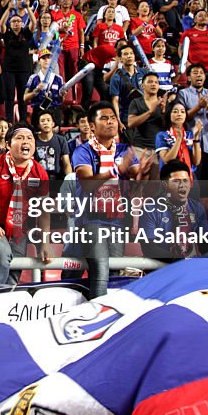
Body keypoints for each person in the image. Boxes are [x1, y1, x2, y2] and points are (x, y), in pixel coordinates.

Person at [69, 100, 153, 297]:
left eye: (113, 118)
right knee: (100, 270)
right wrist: (115, 170)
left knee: (115, 273)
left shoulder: (123, 150)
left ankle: (111, 317)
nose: (110, 122)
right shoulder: (83, 151)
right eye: (104, 118)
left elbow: (133, 174)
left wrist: (144, 171)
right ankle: (96, 318)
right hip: (90, 220)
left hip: (118, 219)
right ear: (91, 125)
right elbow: (87, 183)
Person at [0, 122, 51, 285]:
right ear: (7, 144)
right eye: (20, 138)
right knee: (1, 253)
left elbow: (43, 210)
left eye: (30, 138)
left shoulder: (39, 172)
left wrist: (44, 242)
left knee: (13, 272)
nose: (26, 142)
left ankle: (4, 302)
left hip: (20, 228)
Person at [138, 160, 208, 259]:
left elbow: (206, 244)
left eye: (185, 180)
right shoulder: (150, 208)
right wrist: (177, 261)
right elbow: (148, 247)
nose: (182, 185)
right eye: (176, 181)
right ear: (164, 185)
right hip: (162, 268)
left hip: (191, 267)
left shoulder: (197, 208)